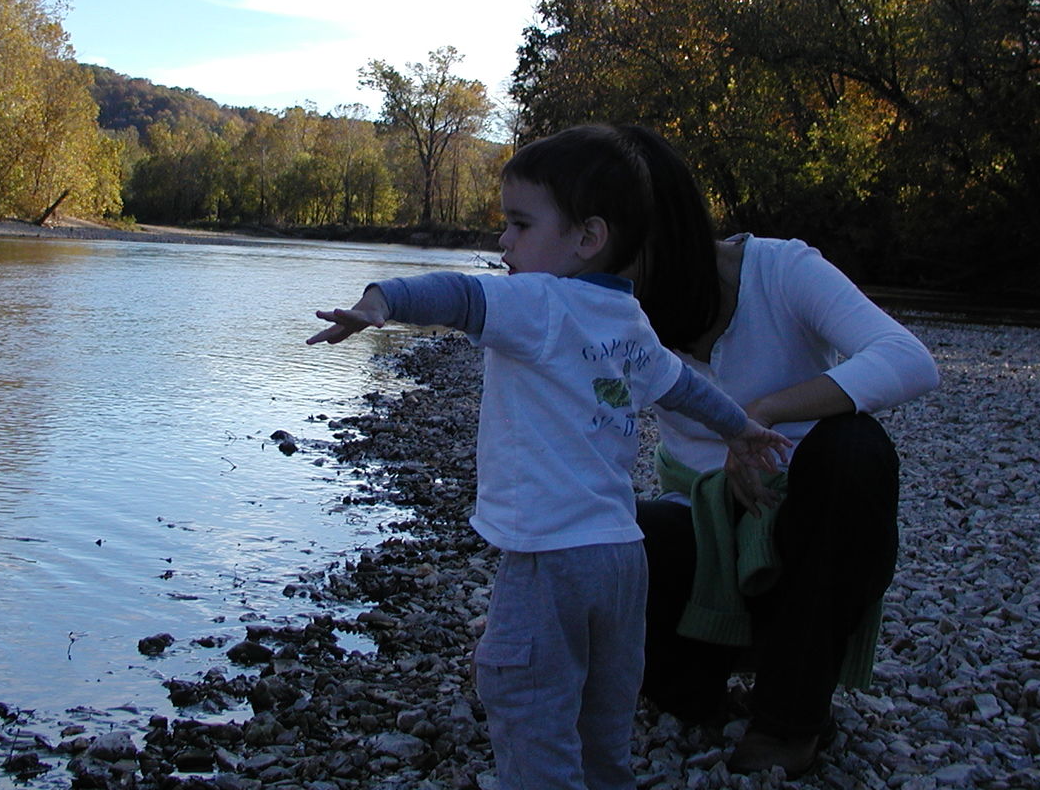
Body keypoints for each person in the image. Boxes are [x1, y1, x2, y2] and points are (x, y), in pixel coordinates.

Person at [308, 124, 792, 790]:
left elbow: (455, 295)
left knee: (523, 694)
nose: (502, 242)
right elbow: (683, 390)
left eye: (518, 224)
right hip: (622, 554)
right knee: (602, 711)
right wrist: (740, 430)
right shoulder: (628, 321)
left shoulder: (536, 301)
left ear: (586, 237)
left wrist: (380, 302)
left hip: (548, 555)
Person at [619, 125, 941, 778]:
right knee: (622, 531)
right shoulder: (612, 309)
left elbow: (908, 360)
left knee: (853, 449)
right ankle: (712, 672)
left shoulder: (779, 269)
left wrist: (759, 417)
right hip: (703, 532)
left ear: (657, 232)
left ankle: (791, 716)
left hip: (810, 533)